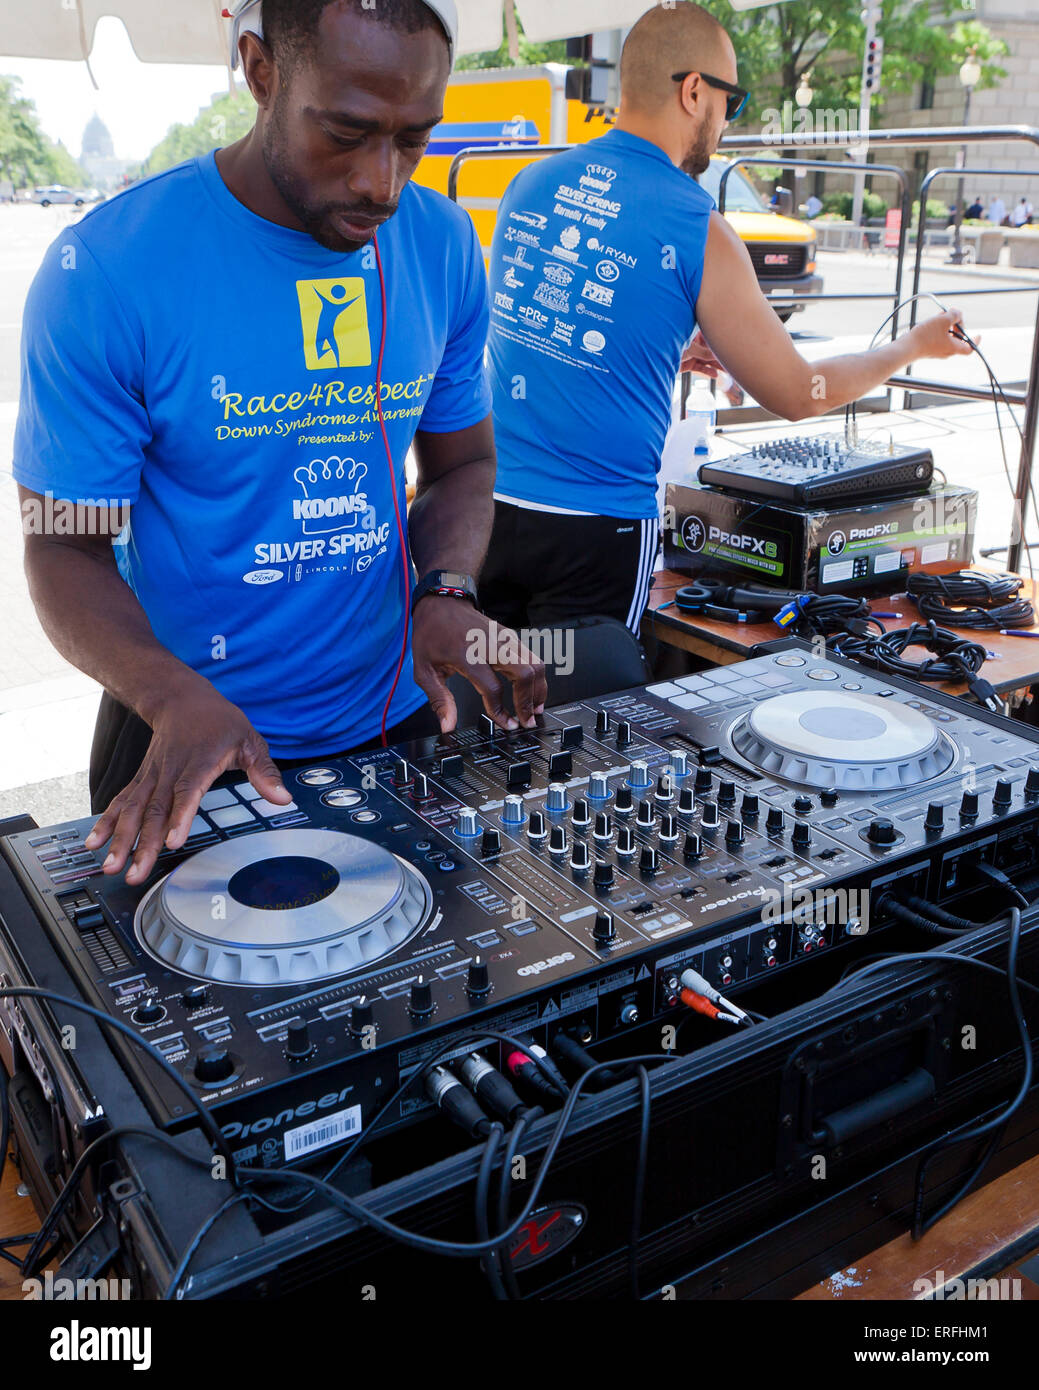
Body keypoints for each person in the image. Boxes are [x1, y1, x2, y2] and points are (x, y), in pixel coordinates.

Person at [13, 0, 546, 888]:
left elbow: (463, 464)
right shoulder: (107, 271)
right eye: (347, 132)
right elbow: (64, 546)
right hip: (183, 738)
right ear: (259, 72)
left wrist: (445, 589)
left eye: (414, 138)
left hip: (395, 722)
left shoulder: (445, 245)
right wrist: (170, 693)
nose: (383, 183)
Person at [478, 2, 975, 637]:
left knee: (492, 710)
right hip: (594, 532)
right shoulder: (697, 226)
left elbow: (537, 330)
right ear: (693, 91)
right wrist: (911, 346)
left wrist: (667, 349)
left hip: (487, 513)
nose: (727, 123)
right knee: (580, 721)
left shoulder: (529, 184)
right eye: (730, 102)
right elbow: (799, 392)